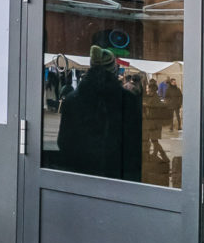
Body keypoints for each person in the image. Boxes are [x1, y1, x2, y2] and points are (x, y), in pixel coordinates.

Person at [56, 45, 143, 181]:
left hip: (80, 178)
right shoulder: (128, 100)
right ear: (114, 69)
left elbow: (64, 143)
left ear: (91, 66)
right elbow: (135, 144)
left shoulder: (71, 100)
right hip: (118, 179)